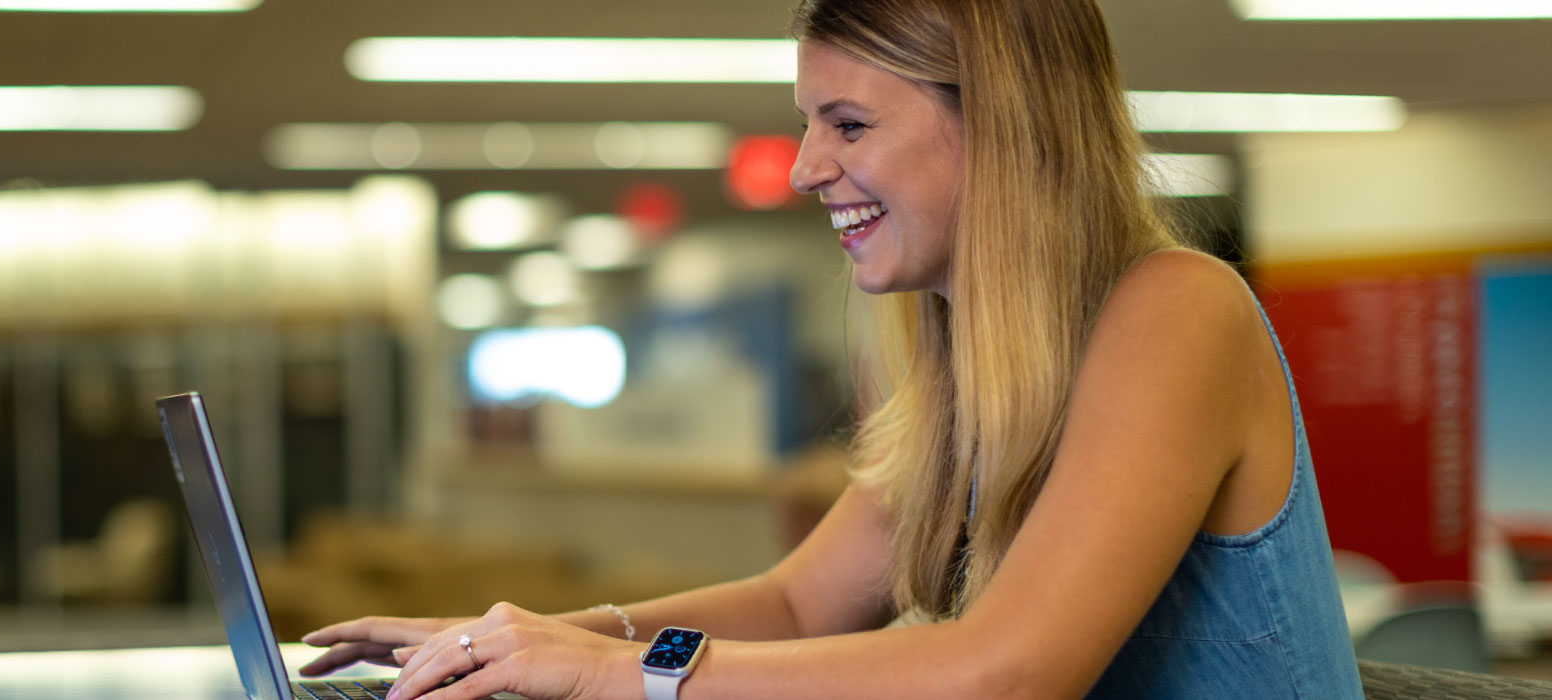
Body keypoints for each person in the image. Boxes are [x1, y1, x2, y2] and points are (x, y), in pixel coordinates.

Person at [300, 0, 1364, 697]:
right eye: (809, 123)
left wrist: (625, 676)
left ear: (1000, 125)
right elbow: (799, 601)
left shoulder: (1177, 311)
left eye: (848, 125)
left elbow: (1011, 669)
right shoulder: (973, 372)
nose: (806, 167)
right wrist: (522, 638)